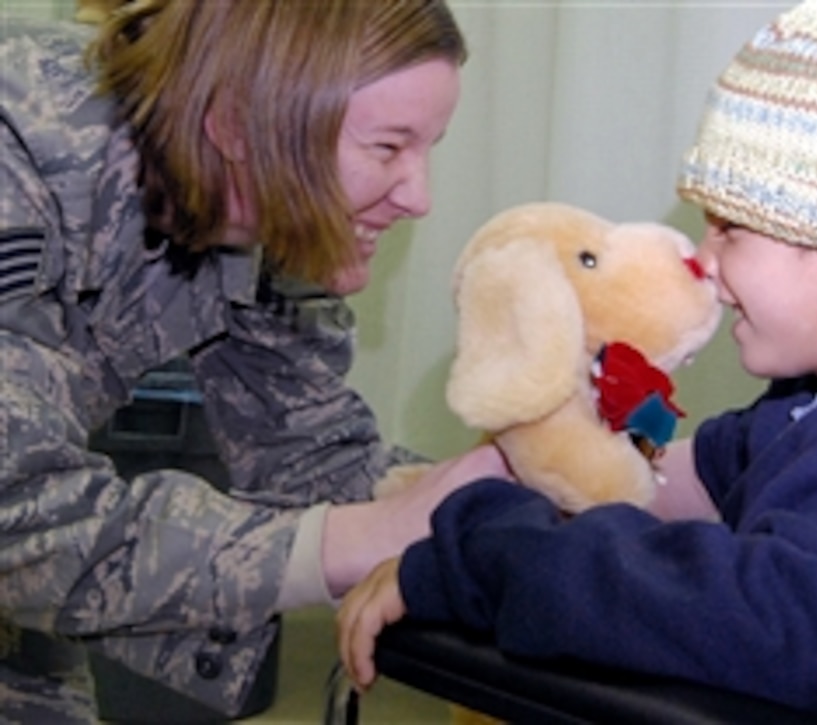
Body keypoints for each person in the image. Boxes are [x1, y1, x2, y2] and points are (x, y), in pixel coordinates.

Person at [336, 0, 817, 721]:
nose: (703, 259)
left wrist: (475, 551)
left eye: (730, 230)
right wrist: (555, 454)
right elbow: (692, 472)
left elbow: (688, 604)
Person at [0, 1, 510, 722]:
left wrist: (507, 512)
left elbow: (311, 454)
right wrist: (361, 538)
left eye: (427, 149)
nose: (418, 197)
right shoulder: (16, 153)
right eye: (389, 148)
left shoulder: (263, 206)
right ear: (239, 124)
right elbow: (16, 511)